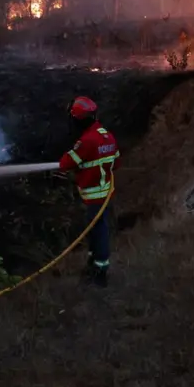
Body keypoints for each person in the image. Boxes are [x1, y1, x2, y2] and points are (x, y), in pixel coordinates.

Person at [58, 96, 119, 286]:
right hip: (105, 192)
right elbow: (116, 162)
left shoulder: (86, 141)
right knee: (95, 230)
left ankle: (100, 272)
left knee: (98, 231)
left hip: (94, 196)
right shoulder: (107, 136)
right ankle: (94, 263)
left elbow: (65, 163)